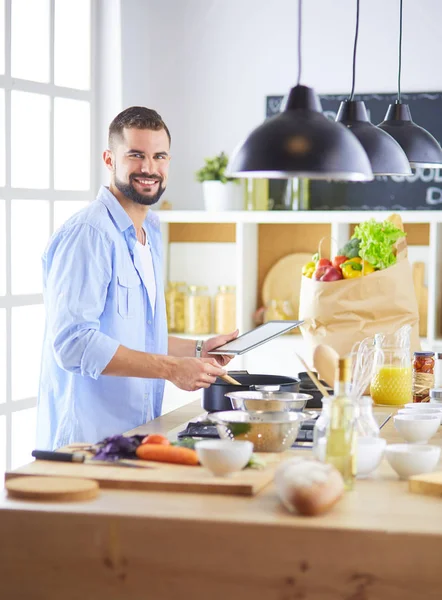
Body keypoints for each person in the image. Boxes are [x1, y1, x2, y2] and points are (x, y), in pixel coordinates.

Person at [37, 106, 238, 450]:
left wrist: (199, 348)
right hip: (85, 444)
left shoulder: (150, 232)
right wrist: (171, 369)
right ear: (109, 159)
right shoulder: (90, 233)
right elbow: (73, 343)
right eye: (135, 155)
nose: (149, 168)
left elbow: (137, 334)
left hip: (133, 436)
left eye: (159, 156)